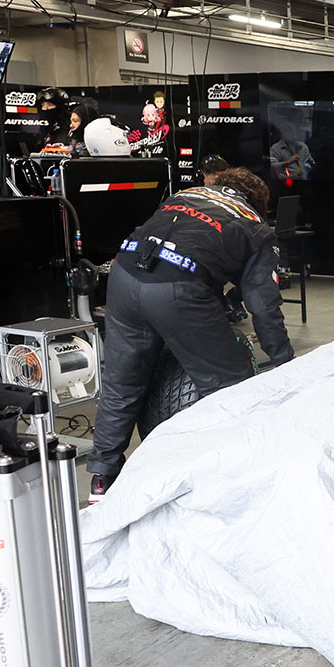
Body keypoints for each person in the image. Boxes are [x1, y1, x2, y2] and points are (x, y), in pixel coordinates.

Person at [86, 167, 294, 501]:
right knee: (230, 384)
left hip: (123, 276)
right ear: (258, 201)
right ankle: (237, 476)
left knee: (122, 381)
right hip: (178, 288)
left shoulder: (184, 195)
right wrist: (286, 364)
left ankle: (103, 476)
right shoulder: (257, 227)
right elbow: (263, 306)